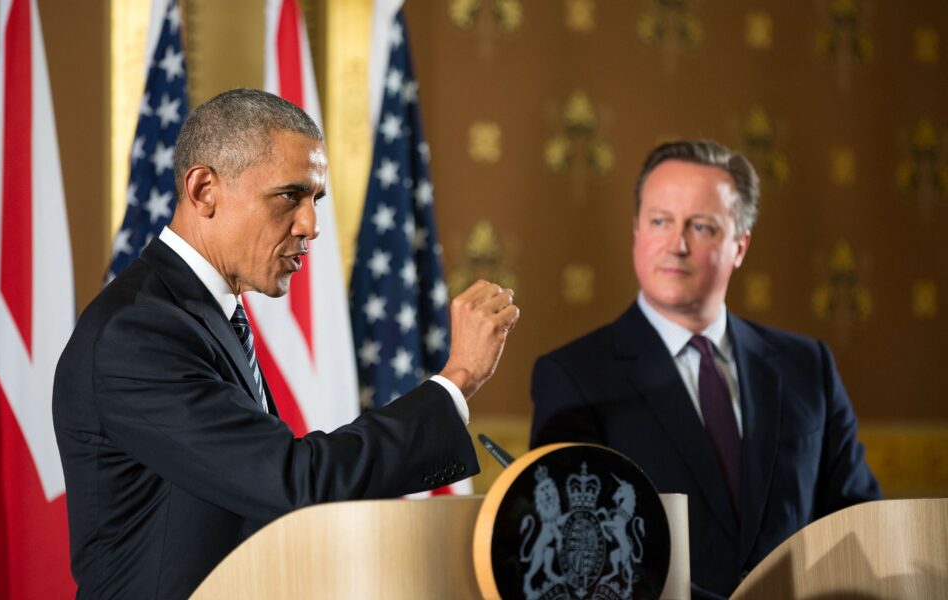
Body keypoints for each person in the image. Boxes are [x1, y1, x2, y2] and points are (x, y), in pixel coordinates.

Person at [53, 88, 520, 599]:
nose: (311, 226)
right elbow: (294, 483)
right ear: (204, 188)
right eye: (289, 196)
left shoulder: (200, 314)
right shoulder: (139, 332)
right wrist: (458, 379)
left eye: (314, 200)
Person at [530, 140, 880, 598]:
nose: (676, 245)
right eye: (659, 221)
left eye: (700, 227)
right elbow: (583, 558)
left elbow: (860, 522)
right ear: (636, 230)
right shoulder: (575, 376)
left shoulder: (806, 367)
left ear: (740, 245)